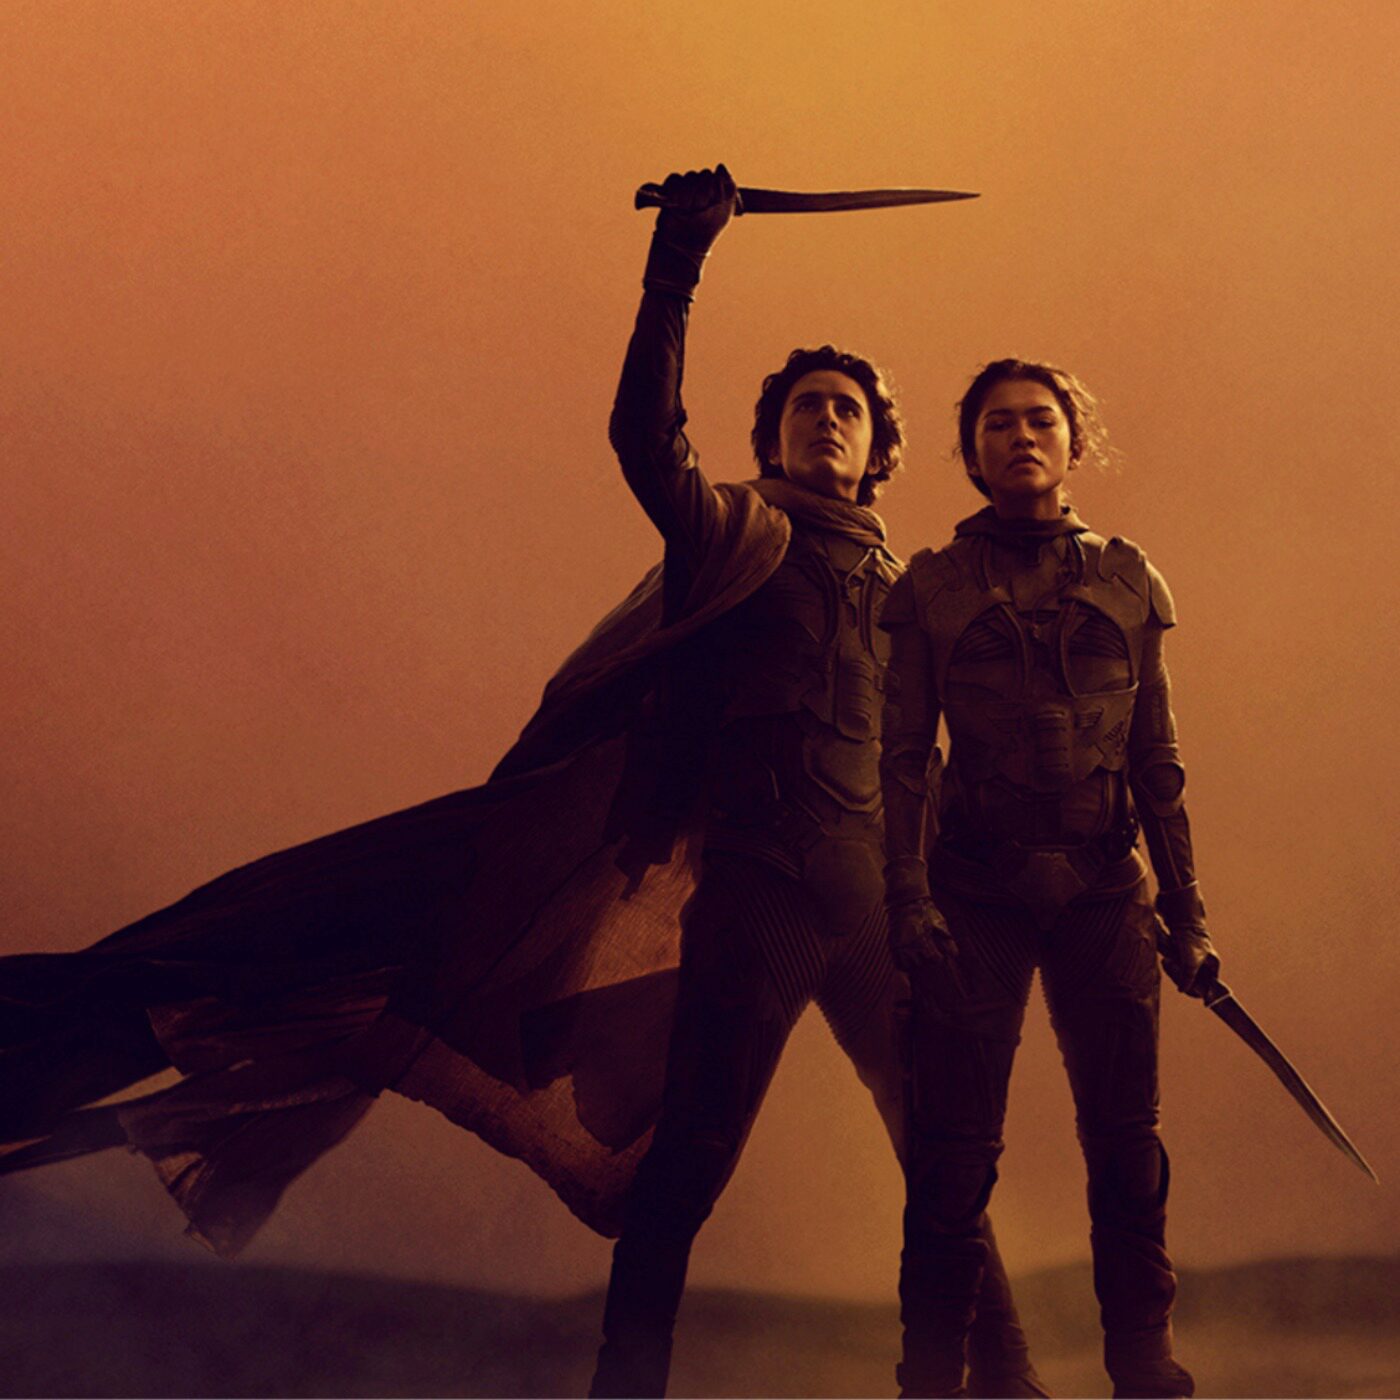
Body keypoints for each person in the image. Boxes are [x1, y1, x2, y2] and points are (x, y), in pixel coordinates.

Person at [588, 167, 1040, 1399]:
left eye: (845, 408)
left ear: (879, 447)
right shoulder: (734, 534)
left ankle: (1007, 1386)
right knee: (687, 1163)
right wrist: (679, 260)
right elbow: (642, 440)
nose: (824, 419)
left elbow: (940, 768)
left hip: (878, 906)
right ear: (773, 436)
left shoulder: (913, 589)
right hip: (760, 892)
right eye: (803, 406)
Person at [877, 358, 1219, 1398]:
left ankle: (1142, 1362)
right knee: (952, 1153)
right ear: (970, 451)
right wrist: (908, 897)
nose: (1020, 437)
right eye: (997, 424)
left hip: (1105, 893)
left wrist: (1189, 916)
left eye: (1039, 420)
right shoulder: (929, 589)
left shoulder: (1128, 579)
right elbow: (902, 759)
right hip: (971, 894)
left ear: (1073, 440)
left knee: (1126, 1145)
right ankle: (929, 1377)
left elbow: (1156, 760)